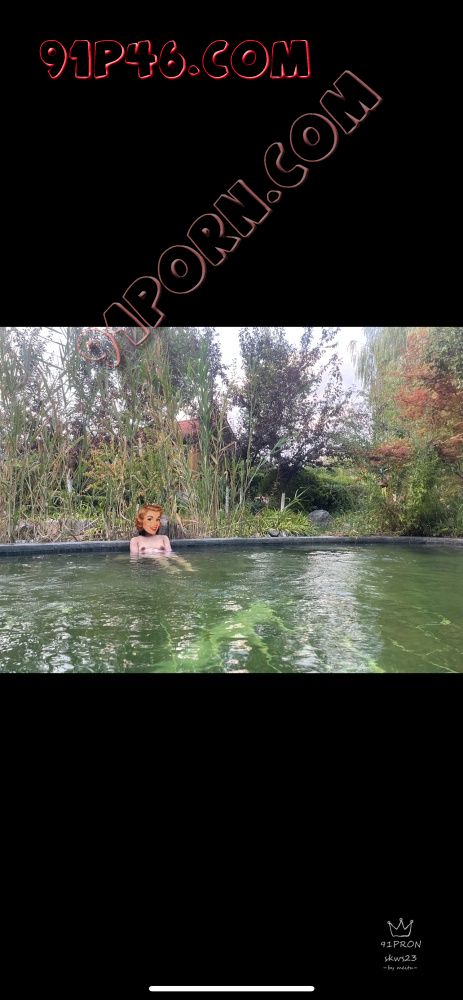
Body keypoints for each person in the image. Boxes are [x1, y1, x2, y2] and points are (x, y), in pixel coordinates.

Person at [130, 503, 194, 570]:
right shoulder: (135, 540)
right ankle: (173, 570)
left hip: (161, 561)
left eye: (157, 519)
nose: (154, 523)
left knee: (179, 559)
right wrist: (155, 556)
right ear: (141, 521)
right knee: (163, 560)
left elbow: (170, 553)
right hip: (146, 566)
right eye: (149, 519)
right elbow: (134, 559)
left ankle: (190, 568)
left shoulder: (163, 538)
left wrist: (184, 563)